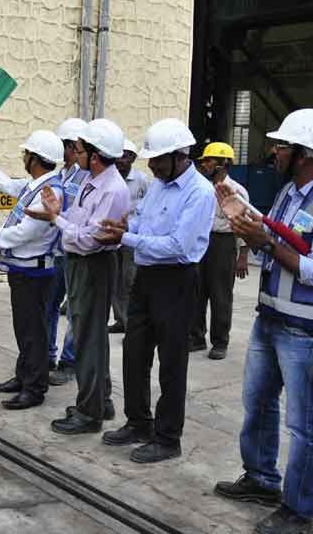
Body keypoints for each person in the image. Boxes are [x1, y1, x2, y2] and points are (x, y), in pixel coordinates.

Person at [213, 109, 313, 534]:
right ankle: (261, 479)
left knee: (303, 424)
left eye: (282, 145)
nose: (275, 151)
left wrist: (264, 241)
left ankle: (298, 509)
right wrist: (244, 224)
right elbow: (271, 249)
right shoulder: (289, 194)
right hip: (272, 316)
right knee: (258, 403)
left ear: (304, 154)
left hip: (308, 329)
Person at [96, 118, 215, 464]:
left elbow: (179, 245)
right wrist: (125, 226)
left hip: (177, 281)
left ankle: (167, 437)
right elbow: (146, 222)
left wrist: (126, 238)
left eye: (159, 159)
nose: (152, 165)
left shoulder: (199, 193)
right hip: (147, 278)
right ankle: (138, 422)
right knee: (134, 353)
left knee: (171, 363)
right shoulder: (161, 184)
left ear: (180, 156)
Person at [28, 119, 130, 434]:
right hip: (81, 263)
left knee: (88, 339)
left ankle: (90, 412)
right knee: (91, 337)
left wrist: (55, 218)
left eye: (80, 148)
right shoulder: (92, 179)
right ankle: (101, 399)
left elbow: (89, 238)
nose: (75, 153)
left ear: (95, 155)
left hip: (94, 265)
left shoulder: (112, 189)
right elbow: (80, 218)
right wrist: (59, 210)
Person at [0, 130, 63, 410]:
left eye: (26, 153)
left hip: (34, 273)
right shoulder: (36, 185)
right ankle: (24, 376)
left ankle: (34, 388)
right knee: (25, 328)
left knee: (32, 330)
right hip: (23, 270)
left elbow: (28, 232)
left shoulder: (48, 191)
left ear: (36, 158)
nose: (23, 156)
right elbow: (3, 182)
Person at [190, 142, 250, 360]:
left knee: (220, 293)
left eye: (210, 160)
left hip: (223, 243)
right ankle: (196, 337)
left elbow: (244, 223)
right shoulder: (202, 188)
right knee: (197, 290)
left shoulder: (236, 190)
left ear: (224, 162)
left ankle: (220, 341)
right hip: (202, 241)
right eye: (204, 160)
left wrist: (242, 255)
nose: (205, 164)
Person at [47, 118, 87, 383]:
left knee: (74, 311)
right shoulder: (59, 174)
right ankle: (47, 355)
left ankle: (69, 361)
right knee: (49, 306)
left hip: (75, 253)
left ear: (72, 146)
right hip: (56, 253)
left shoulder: (86, 177)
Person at [108, 139, 151, 335]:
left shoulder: (142, 180)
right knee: (115, 279)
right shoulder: (109, 178)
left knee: (129, 279)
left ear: (133, 158)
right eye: (118, 155)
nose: (120, 160)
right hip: (112, 235)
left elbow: (149, 208)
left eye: (125, 156)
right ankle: (120, 319)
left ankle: (131, 320)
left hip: (132, 237)